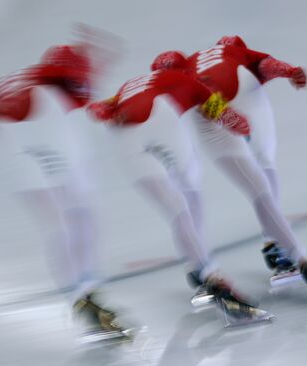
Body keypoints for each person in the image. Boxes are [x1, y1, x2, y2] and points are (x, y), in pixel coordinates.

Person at [0, 39, 133, 341]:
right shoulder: (54, 91)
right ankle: (84, 292)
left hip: (12, 143)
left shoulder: (34, 80)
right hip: (31, 133)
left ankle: (81, 295)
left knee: (60, 222)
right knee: (78, 214)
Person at [150, 42, 307, 302]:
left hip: (222, 105)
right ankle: (279, 247)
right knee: (262, 169)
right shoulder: (224, 49)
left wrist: (233, 121)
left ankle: (204, 264)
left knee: (231, 182)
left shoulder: (188, 84)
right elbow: (264, 65)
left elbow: (217, 110)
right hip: (238, 92)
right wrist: (288, 71)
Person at [87, 68, 272, 325]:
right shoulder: (188, 82)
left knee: (177, 210)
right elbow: (227, 116)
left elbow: (99, 109)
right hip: (159, 119)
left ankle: (199, 268)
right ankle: (213, 280)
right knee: (189, 193)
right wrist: (246, 129)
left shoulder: (132, 81)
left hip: (121, 135)